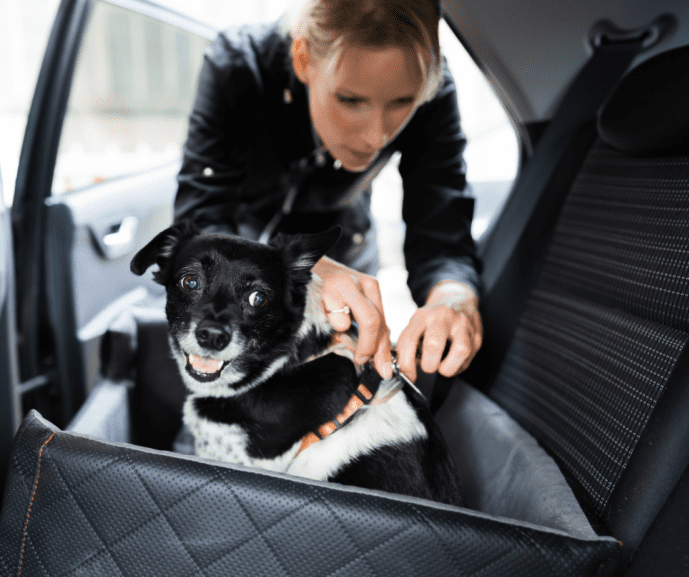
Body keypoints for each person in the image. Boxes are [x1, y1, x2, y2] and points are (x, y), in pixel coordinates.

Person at [174, 0, 482, 382]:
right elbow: (201, 213)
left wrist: (452, 297)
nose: (377, 137)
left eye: (403, 102)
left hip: (345, 253)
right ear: (303, 60)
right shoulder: (239, 66)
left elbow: (441, 227)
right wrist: (290, 271)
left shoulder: (433, 89)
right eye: (351, 100)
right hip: (235, 261)